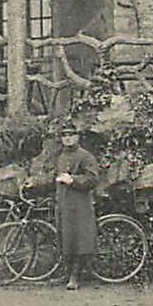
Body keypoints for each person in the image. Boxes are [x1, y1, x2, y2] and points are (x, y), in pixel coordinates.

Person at [51, 123, 100, 290]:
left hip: (80, 205)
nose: (68, 138)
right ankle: (66, 274)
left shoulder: (86, 156)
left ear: (77, 137)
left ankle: (75, 276)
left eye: (71, 135)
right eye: (65, 135)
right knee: (65, 238)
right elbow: (53, 176)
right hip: (63, 203)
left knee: (78, 240)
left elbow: (93, 179)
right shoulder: (60, 156)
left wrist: (73, 180)